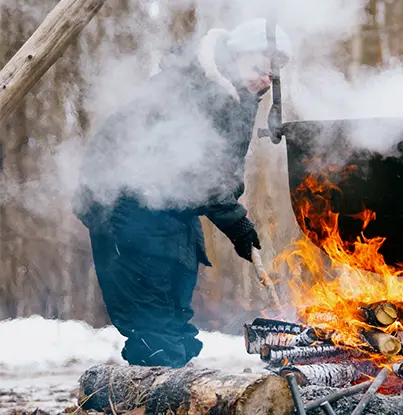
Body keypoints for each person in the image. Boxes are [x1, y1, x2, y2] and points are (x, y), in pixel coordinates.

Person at [72, 19, 293, 368]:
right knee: (154, 327)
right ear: (237, 54)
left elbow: (220, 171)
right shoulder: (193, 86)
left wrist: (234, 219)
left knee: (176, 315)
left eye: (273, 72)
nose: (267, 78)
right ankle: (148, 396)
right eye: (262, 66)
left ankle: (174, 394)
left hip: (171, 209)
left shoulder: (237, 95)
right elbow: (196, 170)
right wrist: (235, 221)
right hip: (125, 206)